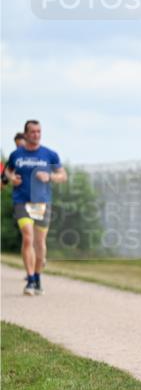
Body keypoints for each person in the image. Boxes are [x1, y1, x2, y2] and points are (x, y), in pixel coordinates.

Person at [5, 120, 67, 295]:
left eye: (39, 131)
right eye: (32, 132)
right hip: (22, 201)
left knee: (39, 243)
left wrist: (50, 176)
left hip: (41, 203)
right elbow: (8, 171)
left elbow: (63, 175)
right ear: (25, 134)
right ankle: (30, 279)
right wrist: (12, 178)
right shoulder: (16, 155)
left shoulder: (49, 154)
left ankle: (38, 277)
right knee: (27, 237)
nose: (36, 135)